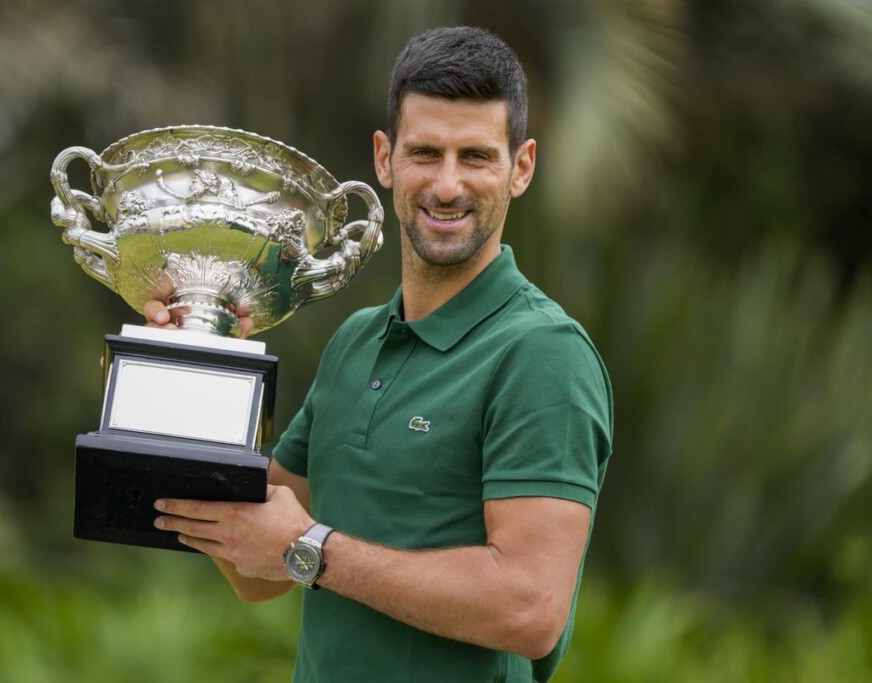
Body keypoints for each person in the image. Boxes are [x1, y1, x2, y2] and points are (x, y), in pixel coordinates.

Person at [147, 26, 613, 683]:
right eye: (426, 152)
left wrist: (311, 547)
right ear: (385, 158)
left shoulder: (542, 353)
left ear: (522, 167)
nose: (447, 185)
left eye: (476, 156)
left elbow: (531, 607)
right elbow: (258, 567)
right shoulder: (355, 343)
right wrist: (196, 365)